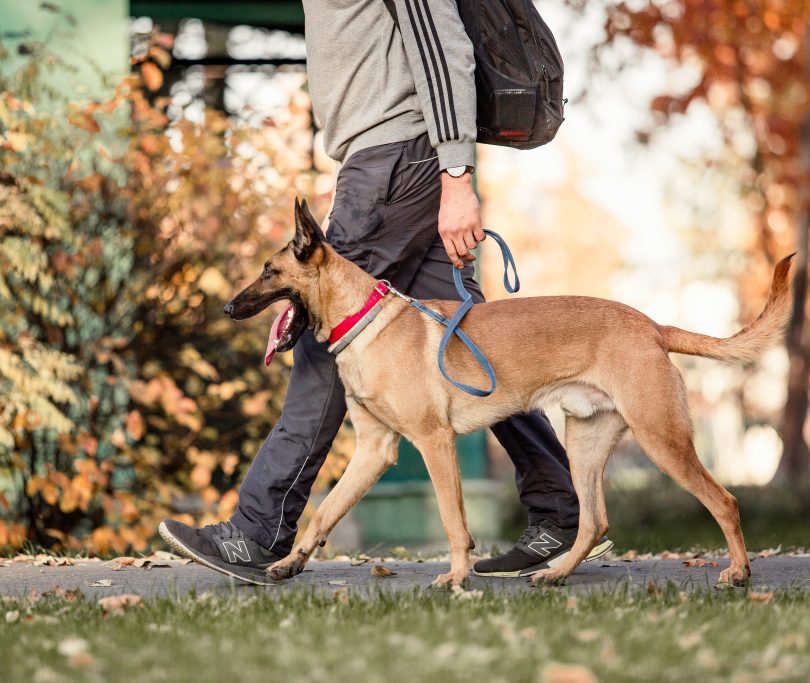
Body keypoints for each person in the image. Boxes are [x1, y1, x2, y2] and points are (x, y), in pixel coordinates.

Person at [160, 0, 611, 583]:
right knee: (473, 347)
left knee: (330, 332)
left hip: (395, 159)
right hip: (396, 158)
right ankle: (561, 514)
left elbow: (442, 43)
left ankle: (258, 531)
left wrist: (456, 174)